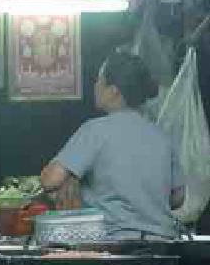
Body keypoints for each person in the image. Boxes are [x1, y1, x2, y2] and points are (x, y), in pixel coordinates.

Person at [40, 47, 184, 242]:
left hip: (116, 246)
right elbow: (177, 198)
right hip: (163, 245)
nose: (95, 85)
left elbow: (51, 179)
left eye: (99, 80)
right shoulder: (162, 135)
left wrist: (74, 183)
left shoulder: (96, 130)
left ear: (113, 91)